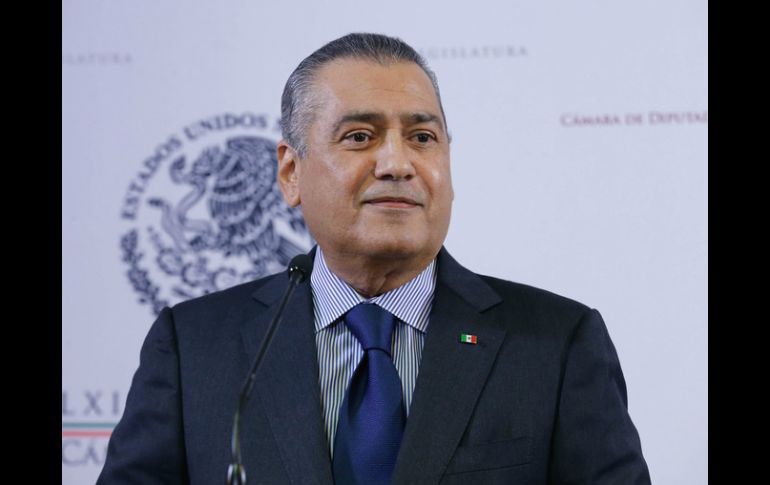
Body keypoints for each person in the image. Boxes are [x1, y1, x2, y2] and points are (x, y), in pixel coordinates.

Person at [97, 33, 651, 484]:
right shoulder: (194, 346)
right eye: (360, 136)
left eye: (423, 137)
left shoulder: (556, 343)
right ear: (291, 173)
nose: (397, 164)